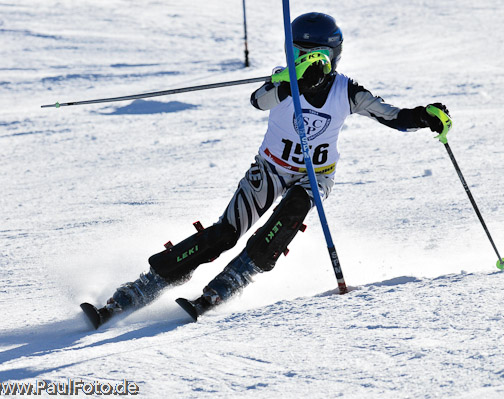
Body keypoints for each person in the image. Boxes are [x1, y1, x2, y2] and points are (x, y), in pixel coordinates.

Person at [81, 12, 450, 328]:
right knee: (225, 233)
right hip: (270, 168)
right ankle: (138, 290)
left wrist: (423, 116)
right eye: (297, 53)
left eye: (315, 56)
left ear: (333, 57)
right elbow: (259, 100)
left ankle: (228, 283)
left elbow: (393, 116)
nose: (305, 62)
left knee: (288, 215)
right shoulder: (283, 79)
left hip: (315, 175)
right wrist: (289, 83)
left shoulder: (346, 90)